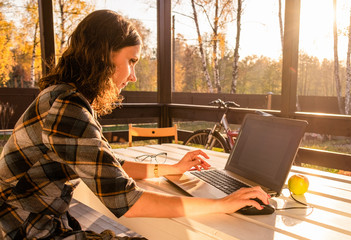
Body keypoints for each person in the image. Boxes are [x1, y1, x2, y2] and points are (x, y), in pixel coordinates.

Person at [0, 10, 270, 239]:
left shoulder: (61, 96)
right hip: (21, 228)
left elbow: (109, 166)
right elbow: (127, 202)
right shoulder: (67, 109)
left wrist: (172, 168)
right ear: (103, 55)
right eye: (131, 61)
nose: (133, 76)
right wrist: (221, 204)